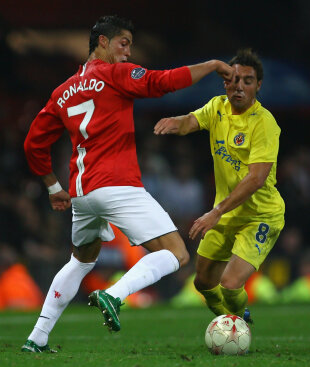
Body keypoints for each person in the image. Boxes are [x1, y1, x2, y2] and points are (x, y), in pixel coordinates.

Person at [21, 15, 233, 352]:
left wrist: (52, 187)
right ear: (102, 43)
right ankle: (113, 294)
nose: (128, 53)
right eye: (123, 43)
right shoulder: (115, 75)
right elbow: (163, 81)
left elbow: (33, 143)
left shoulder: (62, 93)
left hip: (81, 192)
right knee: (176, 254)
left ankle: (37, 338)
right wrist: (210, 65)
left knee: (80, 260)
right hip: (117, 185)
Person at [154, 49, 285, 323]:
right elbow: (193, 121)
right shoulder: (217, 107)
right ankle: (232, 318)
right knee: (202, 282)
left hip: (260, 215)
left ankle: (236, 328)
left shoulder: (265, 123)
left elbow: (256, 178)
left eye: (247, 81)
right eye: (234, 80)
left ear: (258, 85)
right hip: (225, 213)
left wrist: (215, 212)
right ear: (225, 82)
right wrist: (176, 122)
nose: (239, 86)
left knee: (230, 283)